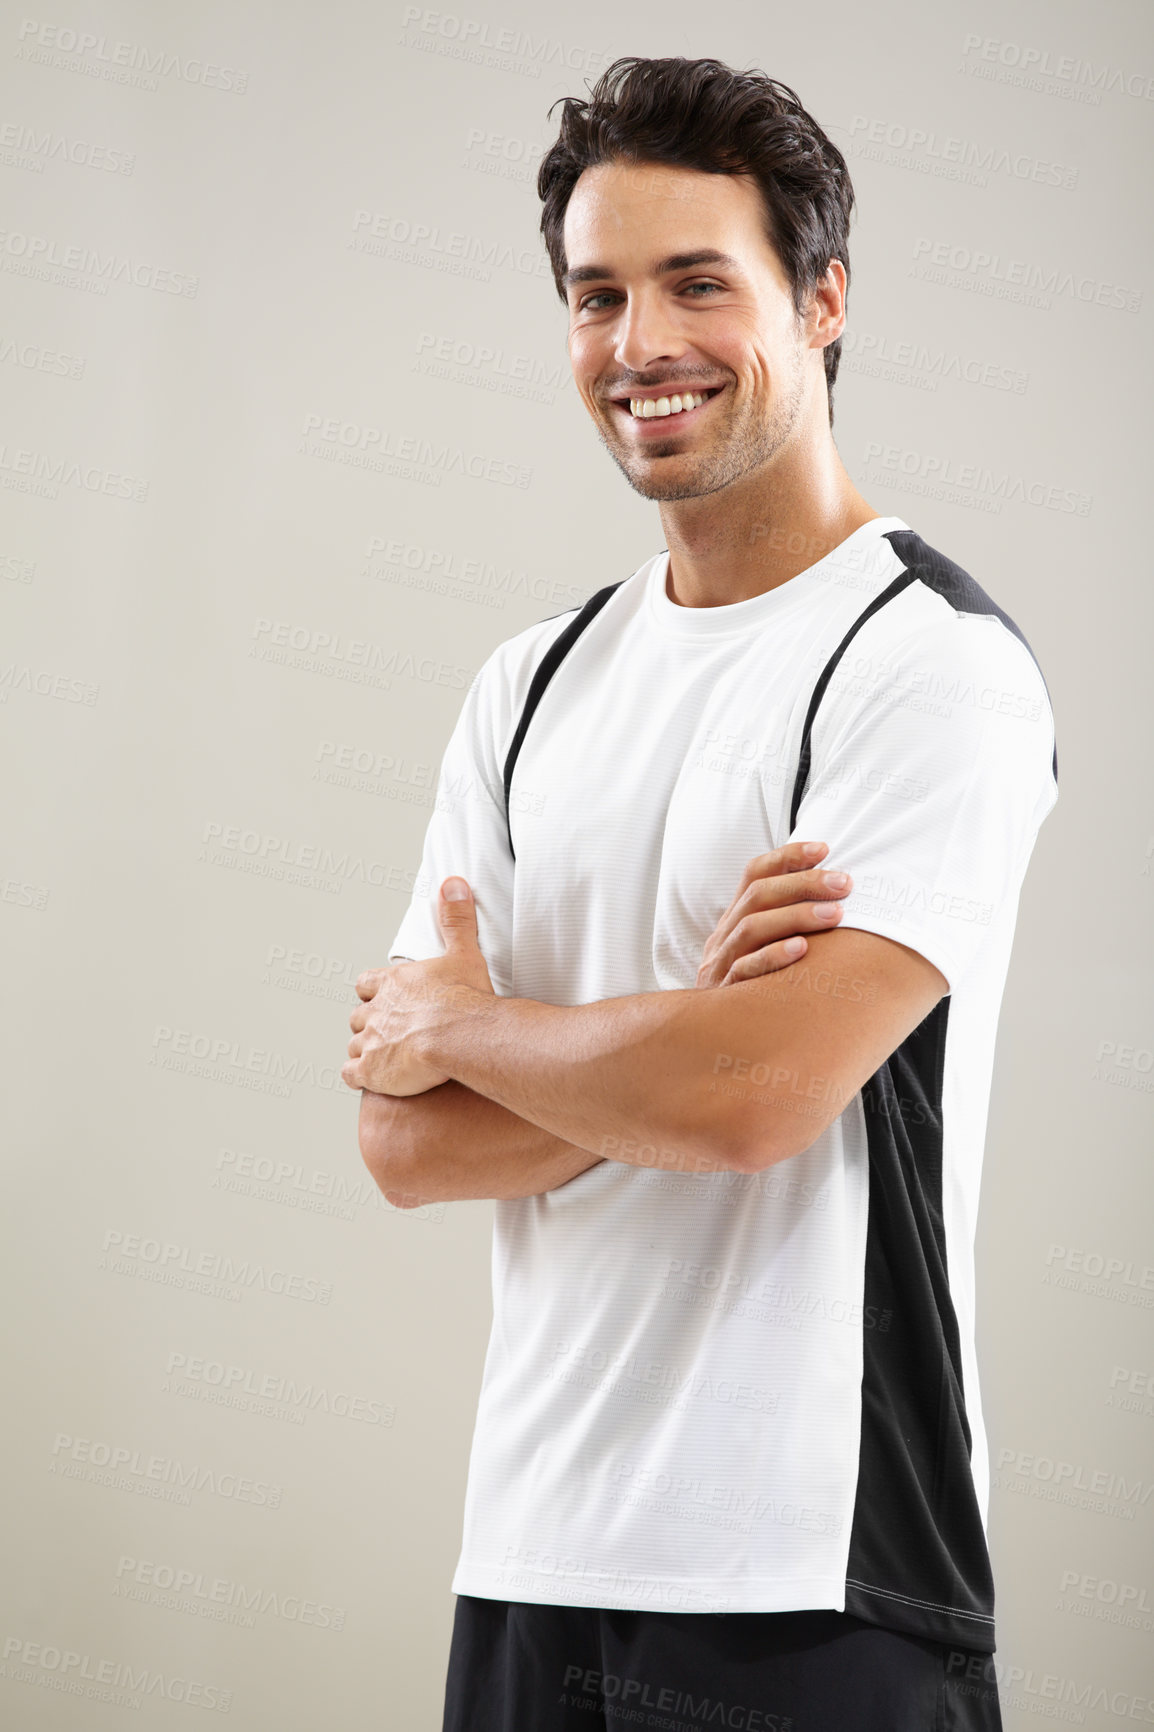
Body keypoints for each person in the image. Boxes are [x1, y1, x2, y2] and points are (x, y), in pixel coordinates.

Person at [342, 55, 1057, 1732]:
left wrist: (487, 1028)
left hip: (814, 1580)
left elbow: (752, 1102)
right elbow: (400, 1143)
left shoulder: (926, 667)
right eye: (596, 295)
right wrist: (680, 1024)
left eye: (694, 283)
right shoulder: (531, 684)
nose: (637, 345)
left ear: (820, 300)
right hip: (530, 1554)